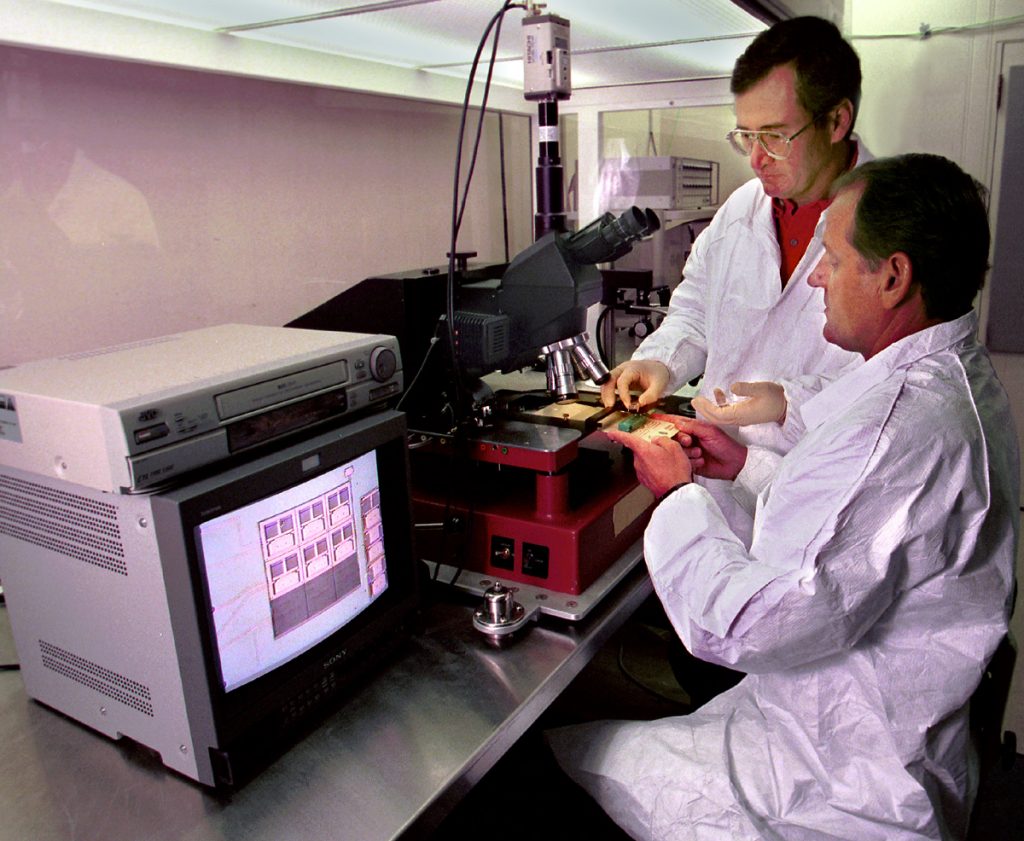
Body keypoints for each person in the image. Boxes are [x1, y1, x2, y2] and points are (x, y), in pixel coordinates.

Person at [548, 153, 1020, 839]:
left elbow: (744, 626)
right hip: (861, 729)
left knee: (565, 757)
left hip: (838, 786)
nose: (817, 278)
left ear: (893, 277)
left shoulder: (892, 431)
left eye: (830, 258)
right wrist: (739, 464)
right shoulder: (947, 378)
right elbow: (862, 526)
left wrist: (678, 494)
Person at [602, 16, 870, 544]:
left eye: (773, 136)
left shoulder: (889, 225)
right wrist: (661, 362)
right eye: (745, 135)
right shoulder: (742, 211)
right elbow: (697, 308)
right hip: (720, 492)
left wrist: (785, 403)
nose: (754, 158)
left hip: (827, 509)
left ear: (837, 121)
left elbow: (888, 390)